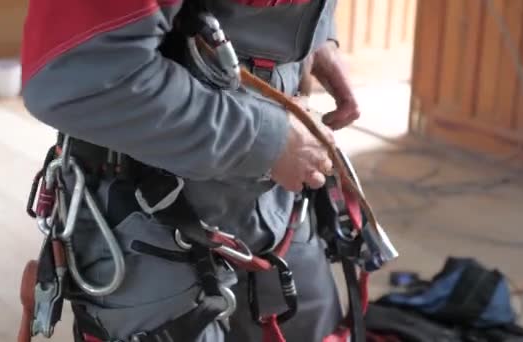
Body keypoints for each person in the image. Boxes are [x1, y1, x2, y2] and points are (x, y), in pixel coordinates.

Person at [20, 1, 361, 341]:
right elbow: (76, 79)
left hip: (278, 197)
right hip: (148, 211)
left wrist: (314, 35)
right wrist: (265, 141)